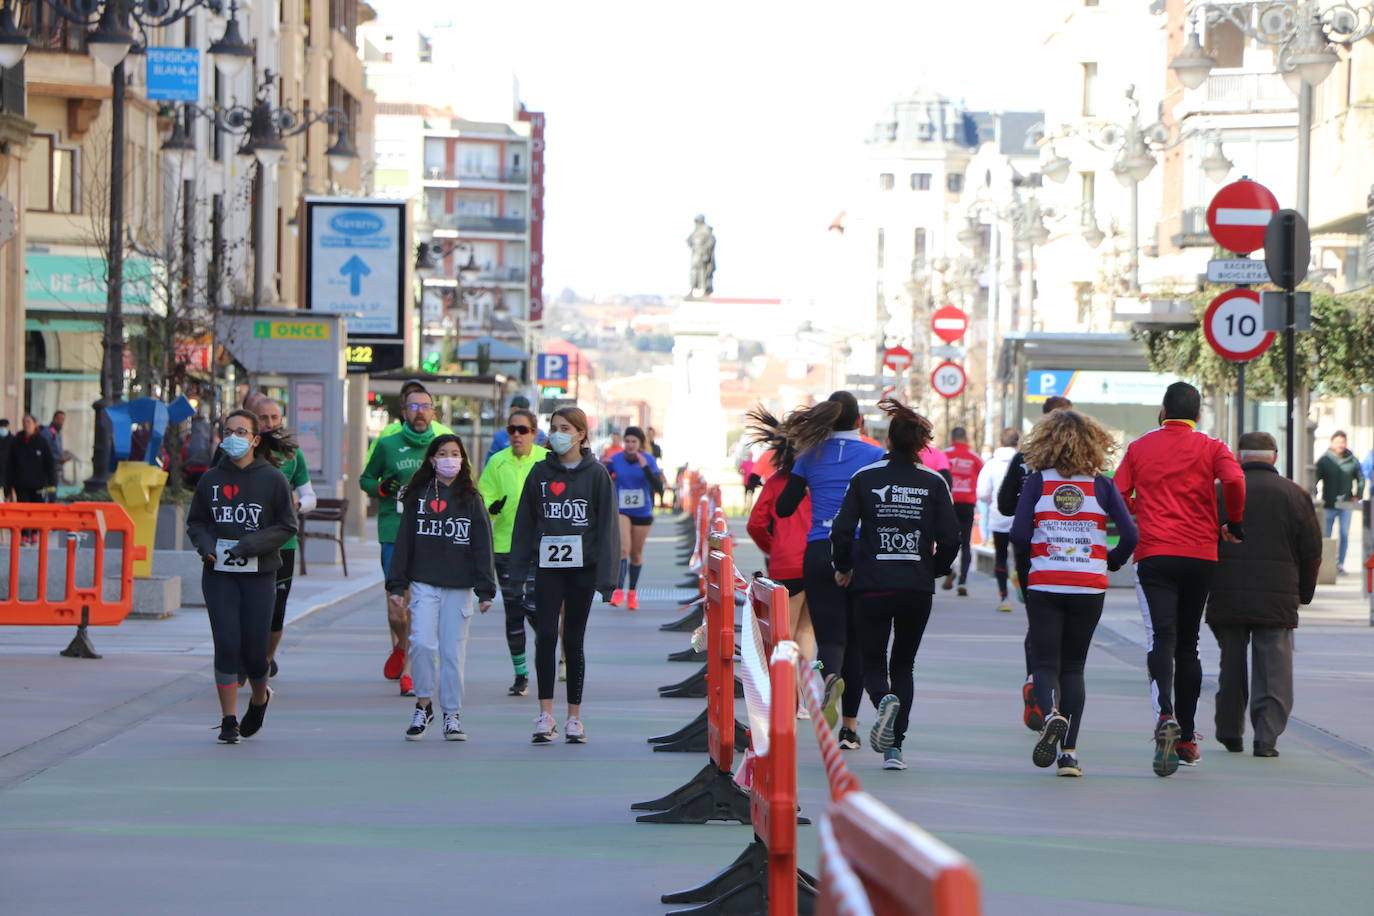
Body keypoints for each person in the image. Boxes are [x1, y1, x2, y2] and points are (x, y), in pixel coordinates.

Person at [1115, 382, 1245, 777]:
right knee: (1189, 644)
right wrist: (1232, 521)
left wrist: (1142, 506)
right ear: (1198, 413)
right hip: (1200, 555)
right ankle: (1187, 738)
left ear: (1162, 410)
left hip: (1156, 554)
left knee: (1162, 638)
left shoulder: (1139, 447)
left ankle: (1165, 715)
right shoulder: (1212, 446)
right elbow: (1235, 481)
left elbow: (1118, 492)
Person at [830, 399, 960, 771]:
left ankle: (882, 699)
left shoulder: (865, 478)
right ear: (920, 444)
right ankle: (895, 748)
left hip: (872, 584)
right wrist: (933, 569)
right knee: (904, 662)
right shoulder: (933, 482)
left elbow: (841, 530)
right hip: (916, 588)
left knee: (873, 661)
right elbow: (952, 538)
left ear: (887, 441)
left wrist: (844, 567)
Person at [1012, 410, 1138, 778]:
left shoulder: (1038, 482)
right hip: (1088, 583)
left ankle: (1050, 715)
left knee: (1045, 664)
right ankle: (1069, 754)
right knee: (1075, 667)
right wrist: (1110, 562)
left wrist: (1031, 563)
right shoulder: (1101, 485)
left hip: (1046, 581)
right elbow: (1130, 535)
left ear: (1046, 442)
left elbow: (1019, 535)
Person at [775, 391, 885, 748]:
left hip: (819, 551)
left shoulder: (810, 456)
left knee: (830, 640)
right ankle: (850, 730)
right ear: (859, 422)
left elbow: (784, 507)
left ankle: (827, 677)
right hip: (860, 553)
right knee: (856, 641)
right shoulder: (874, 456)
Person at [185, 410, 298, 744]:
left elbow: (287, 525)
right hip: (219, 574)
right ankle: (228, 720)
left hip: (259, 574)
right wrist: (205, 546)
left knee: (253, 651)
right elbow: (197, 522)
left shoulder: (272, 479)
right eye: (228, 431)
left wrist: (250, 545)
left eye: (241, 431)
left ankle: (260, 697)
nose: (234, 437)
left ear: (255, 439)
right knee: (226, 644)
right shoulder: (210, 479)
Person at [509, 407, 620, 744]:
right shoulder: (540, 473)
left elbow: (608, 528)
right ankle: (545, 714)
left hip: (582, 569)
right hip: (548, 567)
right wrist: (516, 571)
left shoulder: (596, 474)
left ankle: (574, 716)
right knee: (544, 634)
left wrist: (607, 578)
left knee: (573, 639)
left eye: (565, 428)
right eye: (554, 428)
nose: (558, 434)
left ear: (581, 434)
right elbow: (524, 523)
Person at [1207, 432, 1321, 758]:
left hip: (1226, 591)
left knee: (1231, 663)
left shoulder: (1219, 493)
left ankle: (1230, 731)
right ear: (1274, 457)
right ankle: (1266, 737)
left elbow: (1204, 539)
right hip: (1278, 595)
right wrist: (1304, 594)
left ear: (1239, 457)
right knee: (1274, 666)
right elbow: (1311, 550)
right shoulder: (1295, 494)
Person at [387, 434, 497, 741]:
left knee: (452, 653)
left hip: (459, 587)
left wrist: (485, 589)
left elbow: (482, 544)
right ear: (432, 460)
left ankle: (452, 713)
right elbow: (404, 541)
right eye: (443, 453)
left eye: (455, 453)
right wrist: (397, 584)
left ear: (462, 460)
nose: (449, 459)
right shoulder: (417, 495)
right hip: (423, 583)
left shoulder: (471, 498)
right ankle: (424, 705)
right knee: (421, 642)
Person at [996, 395, 1073, 732]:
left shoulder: (1024, 459)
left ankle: (1037, 683)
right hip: (1073, 553)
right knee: (1069, 628)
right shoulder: (1084, 462)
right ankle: (1055, 695)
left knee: (1039, 621)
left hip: (1032, 553)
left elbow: (1004, 506)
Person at [360, 387, 439, 697]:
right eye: (413, 406)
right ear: (404, 413)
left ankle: (409, 668)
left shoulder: (442, 446)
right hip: (394, 531)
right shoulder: (387, 444)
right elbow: (365, 479)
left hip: (431, 532)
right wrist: (381, 488)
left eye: (425, 406)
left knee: (420, 603)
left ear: (434, 413)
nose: (419, 411)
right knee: (397, 610)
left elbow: (464, 483)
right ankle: (404, 648)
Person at [478, 407, 550, 696]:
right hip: (506, 546)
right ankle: (521, 674)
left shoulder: (546, 460)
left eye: (523, 430)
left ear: (534, 433)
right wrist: (491, 507)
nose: (517, 435)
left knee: (535, 609)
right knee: (513, 610)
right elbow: (484, 498)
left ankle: (552, 654)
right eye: (512, 430)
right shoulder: (497, 462)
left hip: (542, 546)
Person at [745, 406, 816, 668]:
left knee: (785, 635)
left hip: (786, 561)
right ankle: (805, 696)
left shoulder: (777, 481)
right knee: (807, 632)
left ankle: (790, 699)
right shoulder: (820, 478)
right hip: (819, 560)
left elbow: (755, 524)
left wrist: (772, 547)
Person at [254, 400, 318, 678]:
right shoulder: (244, 451)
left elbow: (310, 496)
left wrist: (298, 504)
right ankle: (249, 655)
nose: (270, 423)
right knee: (251, 604)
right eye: (263, 418)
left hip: (284, 543)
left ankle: (266, 659)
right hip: (248, 541)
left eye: (274, 417)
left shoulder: (293, 454)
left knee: (277, 608)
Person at [607, 426, 662, 609]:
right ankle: (618, 591)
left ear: (640, 444)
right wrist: (602, 464)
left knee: (636, 555)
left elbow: (658, 487)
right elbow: (604, 478)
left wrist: (645, 468)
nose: (630, 445)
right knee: (623, 549)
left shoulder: (648, 460)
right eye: (627, 441)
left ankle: (632, 593)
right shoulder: (616, 459)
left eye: (634, 442)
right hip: (622, 509)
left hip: (643, 511)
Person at [977, 428, 1020, 613]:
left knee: (1001, 557)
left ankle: (1004, 598)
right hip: (1021, 518)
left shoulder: (991, 465)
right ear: (1017, 443)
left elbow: (982, 492)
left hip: (999, 515)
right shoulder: (1024, 462)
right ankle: (1024, 589)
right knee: (1021, 558)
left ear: (1000, 442)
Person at [366, 380, 452, 464]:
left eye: (418, 392)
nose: (419, 410)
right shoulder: (389, 432)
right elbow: (370, 466)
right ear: (402, 401)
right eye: (408, 395)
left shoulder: (444, 433)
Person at [941, 427, 983, 596]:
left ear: (952, 438)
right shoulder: (975, 457)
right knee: (966, 543)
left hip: (949, 502)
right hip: (967, 503)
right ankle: (963, 581)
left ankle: (948, 568)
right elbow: (983, 476)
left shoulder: (944, 454)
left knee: (945, 539)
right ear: (966, 438)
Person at [1314, 430, 1363, 574]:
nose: (1340, 445)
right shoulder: (1324, 460)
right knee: (1326, 536)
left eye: (1342, 442)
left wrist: (1357, 495)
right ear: (1331, 443)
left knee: (1344, 534)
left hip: (1346, 504)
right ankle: (1325, 565)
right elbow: (1315, 479)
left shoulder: (1352, 460)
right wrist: (1315, 496)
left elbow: (1360, 479)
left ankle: (1340, 564)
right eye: (1337, 442)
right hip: (1328, 504)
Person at [8, 415, 57, 545]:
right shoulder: (17, 441)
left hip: (38, 484)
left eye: (29, 422)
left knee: (37, 510)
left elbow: (49, 463)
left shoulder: (42, 441)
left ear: (35, 424)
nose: (26, 424)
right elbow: (10, 463)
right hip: (21, 483)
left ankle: (35, 533)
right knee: (22, 510)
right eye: (24, 422)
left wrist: (52, 483)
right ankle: (24, 535)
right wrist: (9, 483)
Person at [485, 396, 550, 461]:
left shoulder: (540, 435)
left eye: (523, 430)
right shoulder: (500, 436)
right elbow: (490, 460)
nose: (516, 434)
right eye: (511, 430)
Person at [0, 418, 13, 501]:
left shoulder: (13, 440)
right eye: (1, 427)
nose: (3, 429)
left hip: (9, 471)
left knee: (7, 494)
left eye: (5, 427)